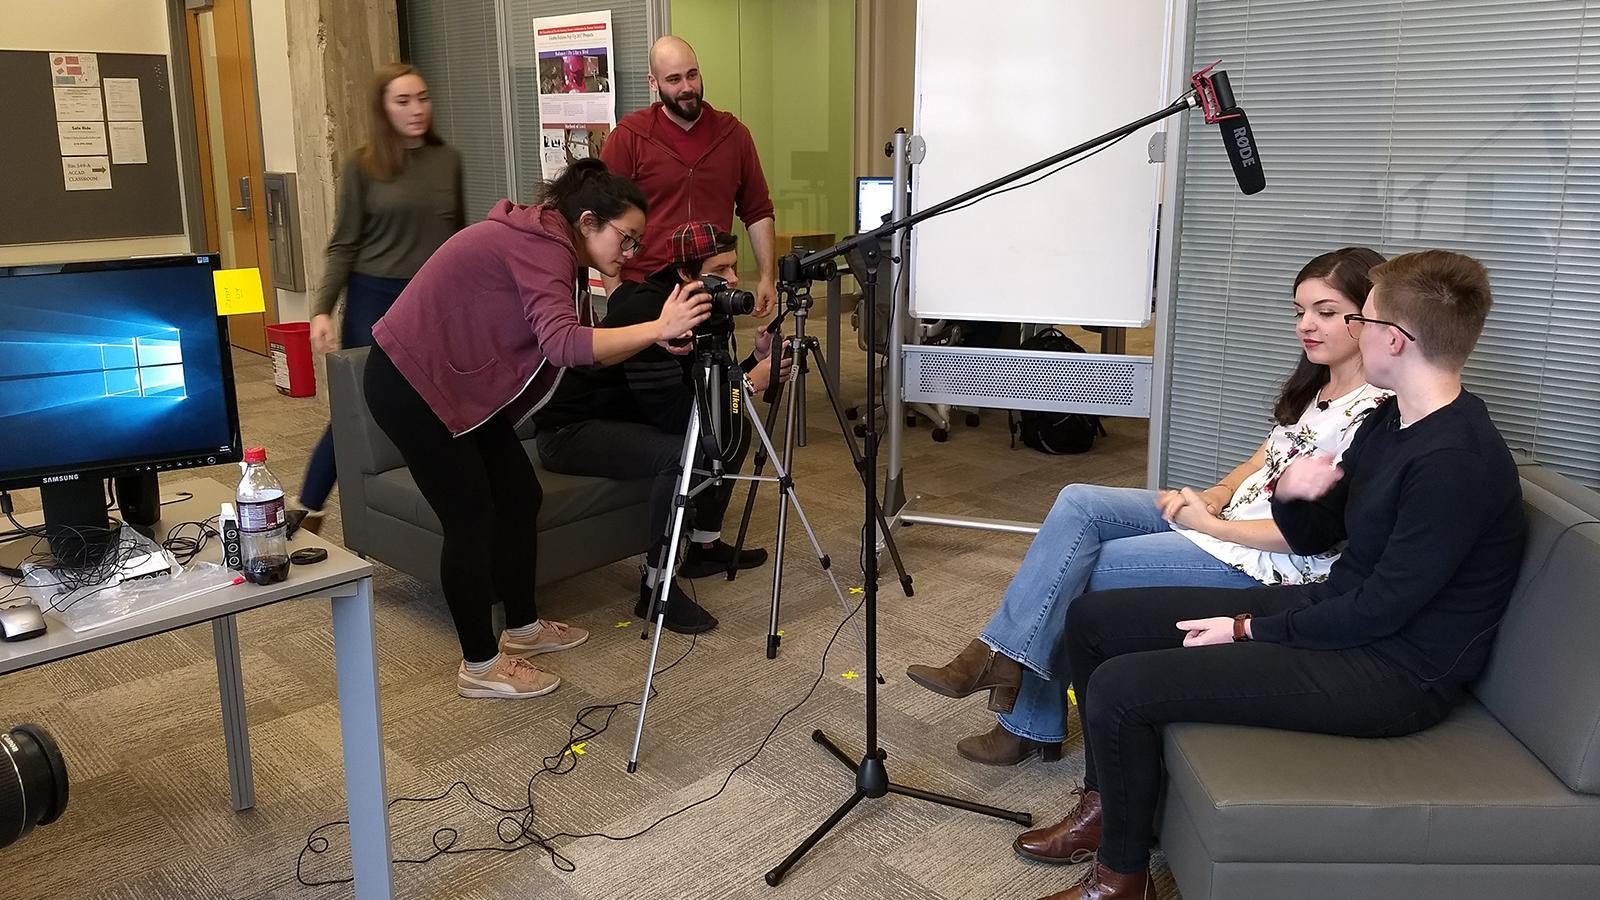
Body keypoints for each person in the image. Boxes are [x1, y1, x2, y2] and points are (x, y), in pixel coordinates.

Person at [1020, 249, 1525, 900]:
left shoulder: (1457, 460)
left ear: (1393, 341)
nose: (1350, 332)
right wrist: (1296, 489)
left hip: (1395, 673)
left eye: (1362, 321)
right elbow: (1315, 535)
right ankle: (1107, 815)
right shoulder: (1390, 419)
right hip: (1346, 620)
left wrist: (1245, 627)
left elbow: (1380, 612)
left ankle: (1121, 880)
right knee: (1093, 621)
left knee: (1123, 687)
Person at [907, 248, 1392, 765]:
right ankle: (1005, 661)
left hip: (1265, 562)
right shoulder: (1320, 382)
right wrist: (1218, 494)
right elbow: (1264, 457)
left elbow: (1312, 534)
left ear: (1369, 315)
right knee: (1078, 502)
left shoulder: (1373, 411)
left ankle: (1021, 708)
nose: (1306, 326)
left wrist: (1211, 525)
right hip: (1226, 523)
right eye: (1299, 312)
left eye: (1325, 311)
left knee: (1082, 572)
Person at [363, 159, 711, 700]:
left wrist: (651, 336)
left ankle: (521, 629)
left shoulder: (553, 241)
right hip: (410, 384)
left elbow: (571, 335)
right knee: (471, 516)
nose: (630, 254)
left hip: (456, 387)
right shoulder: (543, 245)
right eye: (626, 239)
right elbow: (564, 345)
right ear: (589, 221)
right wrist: (657, 327)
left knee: (519, 495)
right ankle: (479, 666)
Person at [533, 221, 792, 635]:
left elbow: (706, 393)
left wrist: (751, 366)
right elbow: (675, 415)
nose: (731, 279)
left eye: (733, 267)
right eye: (721, 268)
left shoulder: (705, 306)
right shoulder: (647, 311)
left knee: (733, 424)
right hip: (570, 430)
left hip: (628, 414)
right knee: (680, 452)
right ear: (686, 274)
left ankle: (704, 547)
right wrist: (748, 383)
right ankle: (655, 588)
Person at [290, 63, 464, 537]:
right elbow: (344, 242)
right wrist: (322, 308)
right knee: (359, 409)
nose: (416, 109)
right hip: (373, 297)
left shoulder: (448, 160)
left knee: (435, 404)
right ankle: (308, 509)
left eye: (422, 98)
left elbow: (457, 241)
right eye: (402, 101)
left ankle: (437, 512)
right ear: (382, 109)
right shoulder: (361, 165)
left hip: (429, 302)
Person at [600, 35, 778, 318]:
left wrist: (768, 276)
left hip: (712, 289)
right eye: (674, 79)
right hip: (645, 290)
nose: (687, 87)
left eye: (692, 75)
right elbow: (605, 218)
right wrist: (615, 294)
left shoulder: (733, 135)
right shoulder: (630, 136)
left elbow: (758, 212)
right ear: (653, 83)